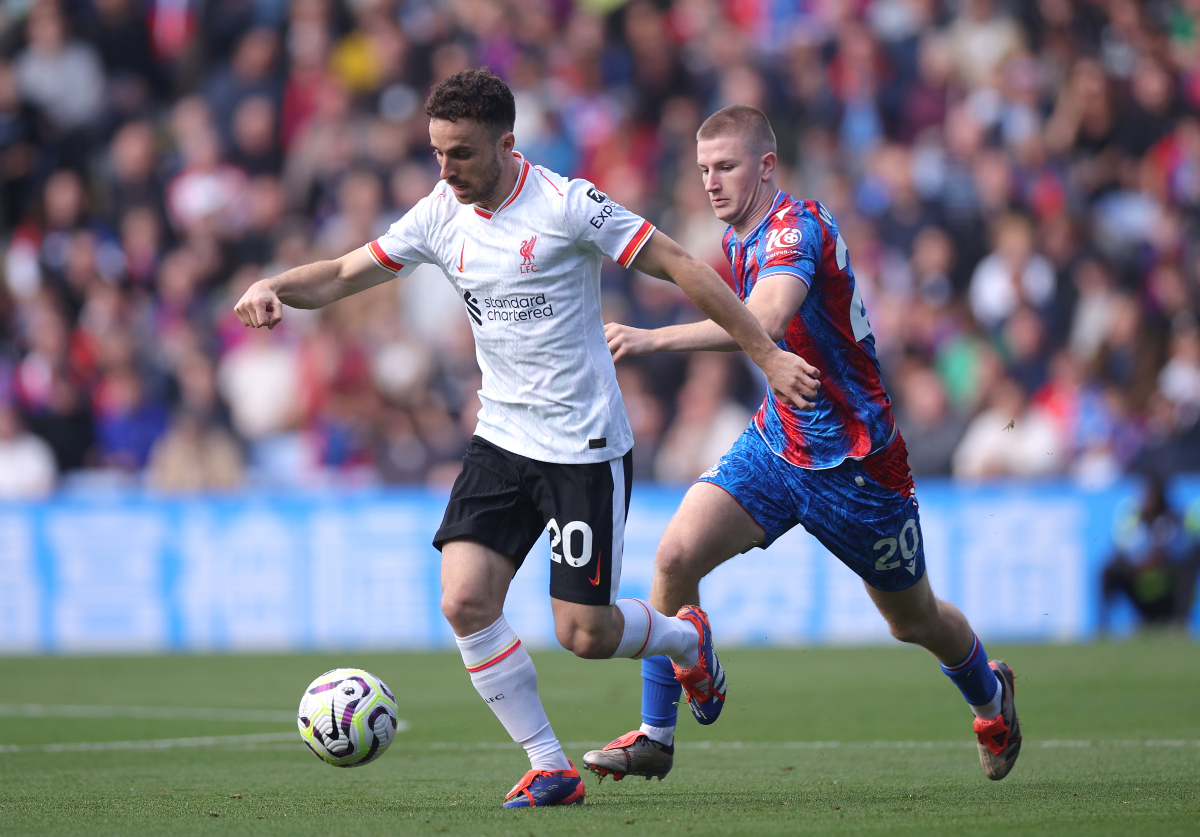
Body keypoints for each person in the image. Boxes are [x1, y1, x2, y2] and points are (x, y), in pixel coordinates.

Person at [234, 71, 820, 807]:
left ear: (507, 144)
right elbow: (347, 272)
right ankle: (551, 764)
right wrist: (276, 285)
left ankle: (684, 641)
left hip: (583, 449)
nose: (445, 171)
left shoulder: (569, 206)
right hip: (501, 439)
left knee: (584, 633)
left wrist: (763, 352)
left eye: (461, 155)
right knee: (464, 600)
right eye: (437, 153)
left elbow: (680, 265)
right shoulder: (439, 214)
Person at [589, 105, 1021, 784]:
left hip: (857, 465)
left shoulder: (797, 229)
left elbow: (762, 319)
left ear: (766, 166)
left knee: (913, 620)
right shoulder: (738, 237)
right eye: (703, 169)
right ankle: (656, 734)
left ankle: (991, 698)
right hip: (780, 440)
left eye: (725, 166)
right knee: (673, 556)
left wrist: (651, 338)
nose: (711, 182)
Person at [1101, 475, 1200, 631]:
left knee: (1191, 562)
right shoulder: (1132, 518)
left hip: (1167, 588)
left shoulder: (1175, 519)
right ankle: (1103, 626)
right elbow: (1120, 551)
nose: (1145, 500)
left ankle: (1179, 622)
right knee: (1108, 570)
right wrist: (1138, 565)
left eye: (1149, 496)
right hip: (1139, 581)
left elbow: (1177, 553)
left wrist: (1155, 563)